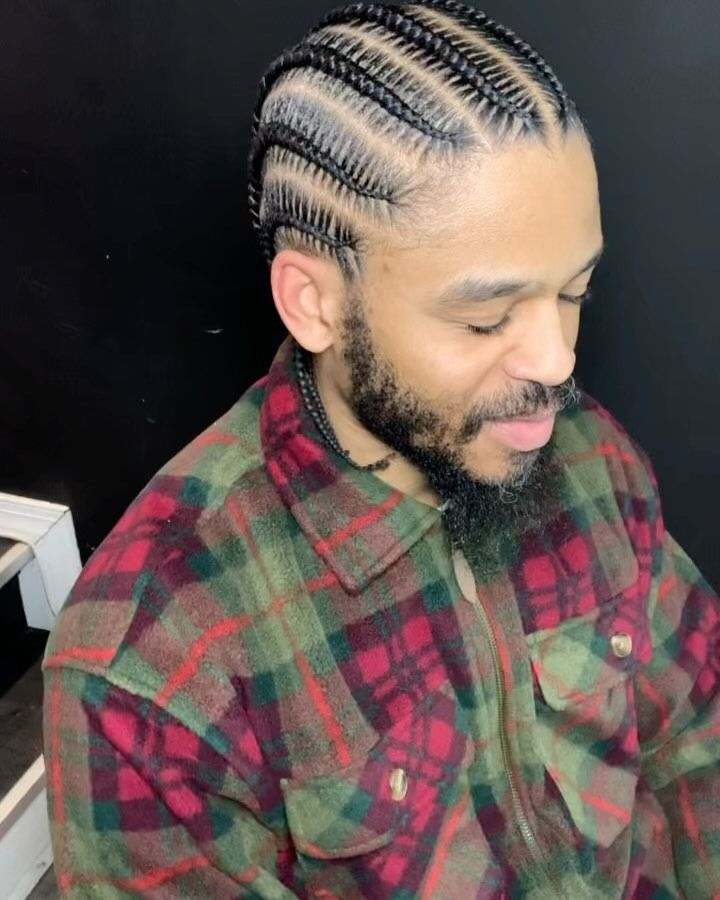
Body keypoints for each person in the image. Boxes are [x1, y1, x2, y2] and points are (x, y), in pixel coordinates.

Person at [43, 1, 720, 896]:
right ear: (315, 303)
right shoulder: (151, 670)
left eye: (576, 292)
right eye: (484, 317)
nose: (556, 364)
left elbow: (694, 740)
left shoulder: (591, 458)